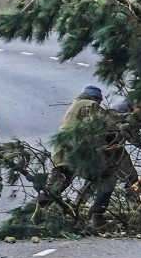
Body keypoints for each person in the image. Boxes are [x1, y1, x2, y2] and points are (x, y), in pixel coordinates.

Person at [38, 85, 132, 229]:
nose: (99, 104)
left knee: (57, 185)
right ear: (96, 99)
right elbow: (103, 121)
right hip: (76, 153)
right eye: (99, 102)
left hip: (62, 152)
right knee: (107, 179)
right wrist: (125, 120)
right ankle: (96, 216)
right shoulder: (88, 104)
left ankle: (36, 215)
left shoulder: (76, 106)